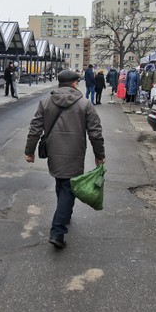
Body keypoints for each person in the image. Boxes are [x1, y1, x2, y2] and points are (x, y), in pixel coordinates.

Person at [24, 69, 105, 249]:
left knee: (62, 183)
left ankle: (65, 215)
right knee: (68, 188)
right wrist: (100, 155)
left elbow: (35, 129)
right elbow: (96, 133)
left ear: (59, 83)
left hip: (54, 151)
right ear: (75, 83)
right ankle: (57, 231)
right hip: (75, 153)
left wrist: (29, 151)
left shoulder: (45, 102)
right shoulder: (85, 104)